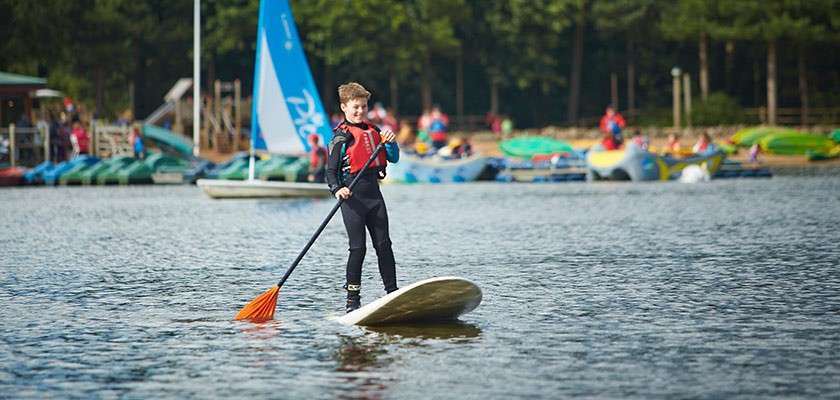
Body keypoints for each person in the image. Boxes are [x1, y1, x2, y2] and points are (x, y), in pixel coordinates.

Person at [326, 82, 400, 313]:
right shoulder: (341, 137)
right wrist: (338, 189)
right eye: (355, 107)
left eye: (364, 107)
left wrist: (392, 143)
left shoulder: (375, 131)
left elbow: (394, 158)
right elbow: (330, 171)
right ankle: (352, 300)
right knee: (358, 249)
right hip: (352, 199)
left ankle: (393, 292)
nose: (360, 111)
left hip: (374, 196)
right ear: (344, 107)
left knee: (384, 245)